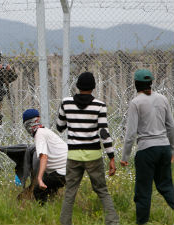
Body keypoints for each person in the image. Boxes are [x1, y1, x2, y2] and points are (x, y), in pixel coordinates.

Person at [57, 72, 119, 225]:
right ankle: (112, 222)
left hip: (73, 155)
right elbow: (104, 133)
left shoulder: (66, 103)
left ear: (77, 86)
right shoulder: (99, 105)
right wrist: (111, 157)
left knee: (70, 192)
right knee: (102, 191)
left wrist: (72, 119)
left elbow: (60, 127)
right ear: (93, 87)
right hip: (93, 155)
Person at [120, 69, 174, 225]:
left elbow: (131, 134)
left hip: (146, 150)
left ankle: (141, 222)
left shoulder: (136, 102)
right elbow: (170, 126)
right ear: (151, 83)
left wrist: (124, 157)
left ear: (136, 84)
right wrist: (172, 149)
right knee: (166, 186)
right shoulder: (163, 99)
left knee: (143, 191)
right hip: (164, 148)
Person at [22, 108, 67, 205]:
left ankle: (44, 214)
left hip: (63, 171)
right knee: (48, 187)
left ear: (37, 120)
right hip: (69, 168)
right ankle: (53, 205)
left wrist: (39, 179)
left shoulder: (39, 134)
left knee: (38, 191)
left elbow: (43, 157)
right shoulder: (44, 131)